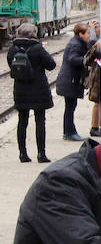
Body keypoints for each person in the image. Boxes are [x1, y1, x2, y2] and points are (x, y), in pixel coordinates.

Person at [7, 22, 56, 163]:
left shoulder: (12, 49)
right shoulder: (38, 48)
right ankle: (41, 154)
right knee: (40, 122)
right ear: (33, 34)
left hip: (21, 90)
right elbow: (51, 65)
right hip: (38, 90)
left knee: (22, 122)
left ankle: (22, 154)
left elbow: (11, 66)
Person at [55, 21, 92, 142]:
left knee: (70, 107)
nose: (89, 35)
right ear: (80, 34)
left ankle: (69, 131)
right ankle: (69, 132)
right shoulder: (76, 44)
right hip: (70, 80)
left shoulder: (77, 42)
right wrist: (86, 60)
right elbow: (73, 59)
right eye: (87, 33)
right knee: (70, 107)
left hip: (70, 79)